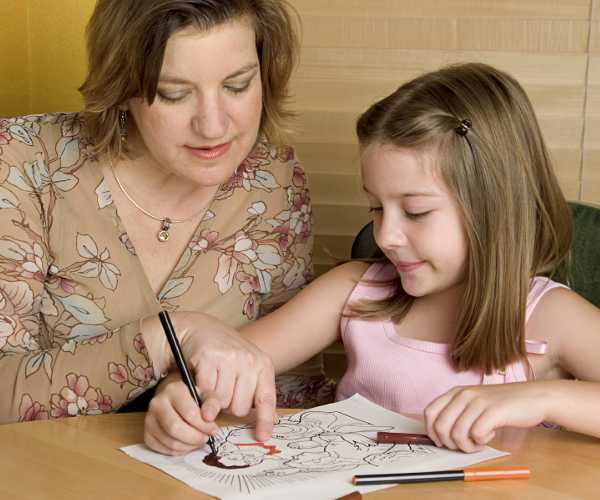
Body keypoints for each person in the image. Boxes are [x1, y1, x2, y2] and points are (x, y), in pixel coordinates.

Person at [146, 61, 600, 456]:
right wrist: (180, 398)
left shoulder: (548, 316)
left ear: (495, 205)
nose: (386, 235)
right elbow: (228, 366)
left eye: (417, 211)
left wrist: (544, 397)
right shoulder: (353, 290)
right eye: (377, 208)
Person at [0, 0, 333, 439]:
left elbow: (289, 389)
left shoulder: (272, 180)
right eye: (174, 93)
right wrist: (167, 337)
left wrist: (193, 404)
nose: (214, 127)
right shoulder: (21, 164)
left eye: (237, 85)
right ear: (123, 87)